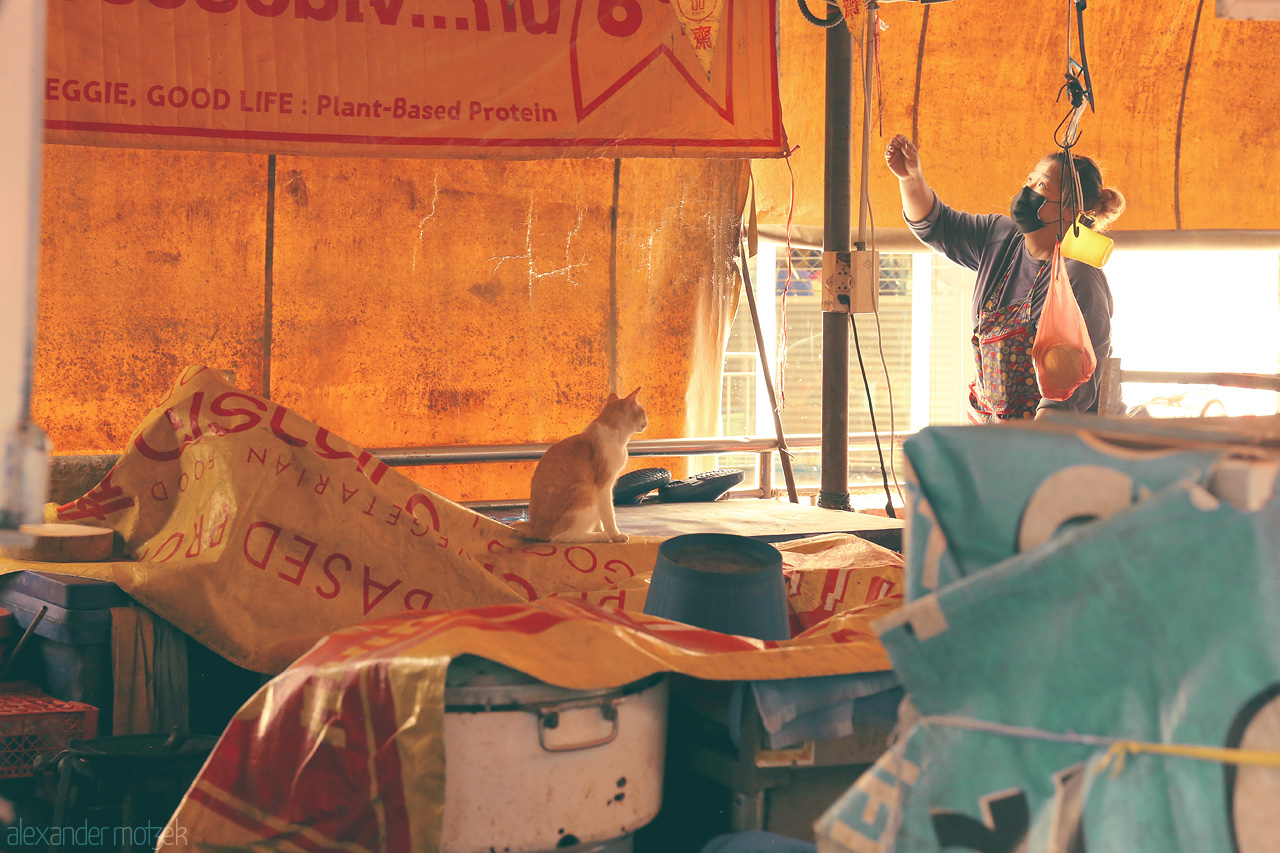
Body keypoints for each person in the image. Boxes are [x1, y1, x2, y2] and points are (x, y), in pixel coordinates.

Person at [884, 134, 1126, 422]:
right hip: (994, 427)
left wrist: (1023, 448)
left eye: (1042, 185)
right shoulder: (1000, 238)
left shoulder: (1079, 277)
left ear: (1069, 210)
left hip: (1056, 436)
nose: (1028, 190)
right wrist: (911, 178)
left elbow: (1067, 393)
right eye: (1029, 180)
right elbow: (936, 226)